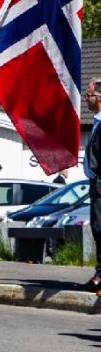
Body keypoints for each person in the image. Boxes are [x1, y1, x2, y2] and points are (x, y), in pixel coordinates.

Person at [83, 78, 101, 295]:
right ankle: (98, 274)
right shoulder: (96, 122)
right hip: (94, 183)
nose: (85, 99)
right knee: (97, 229)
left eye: (88, 95)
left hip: (99, 184)